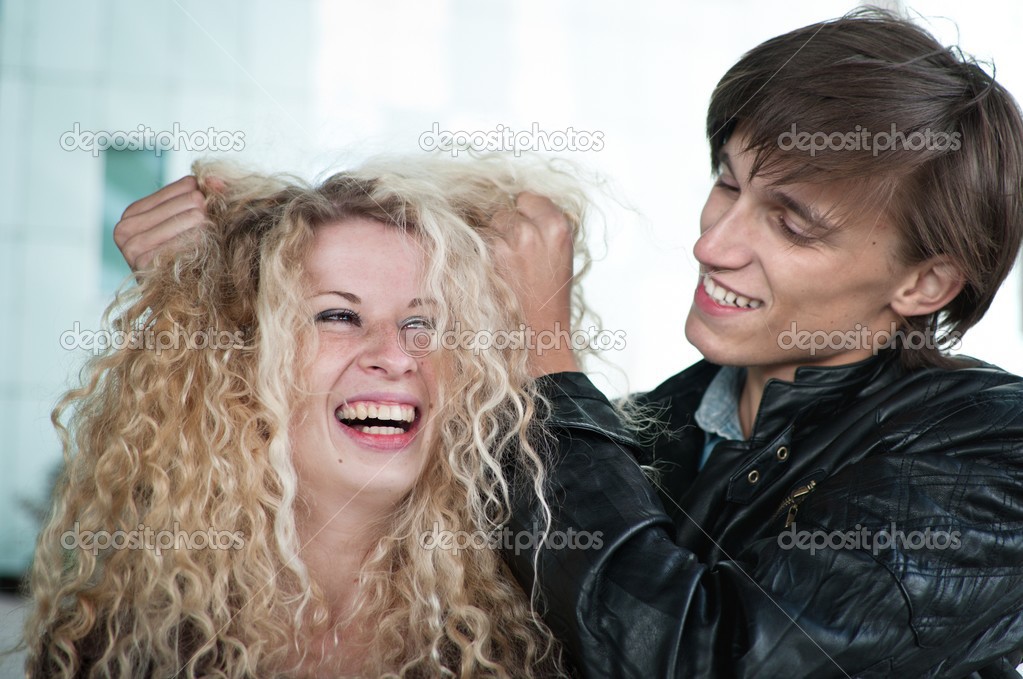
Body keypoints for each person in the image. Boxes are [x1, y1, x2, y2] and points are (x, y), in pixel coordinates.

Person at [496, 9, 1023, 678]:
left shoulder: (991, 445)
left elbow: (710, 659)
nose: (709, 245)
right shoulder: (639, 431)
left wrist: (544, 356)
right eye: (727, 182)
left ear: (924, 283)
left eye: (791, 225)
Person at [25, 156, 591, 677]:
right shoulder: (114, 647)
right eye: (340, 315)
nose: (394, 356)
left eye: (425, 324)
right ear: (241, 363)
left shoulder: (538, 641)